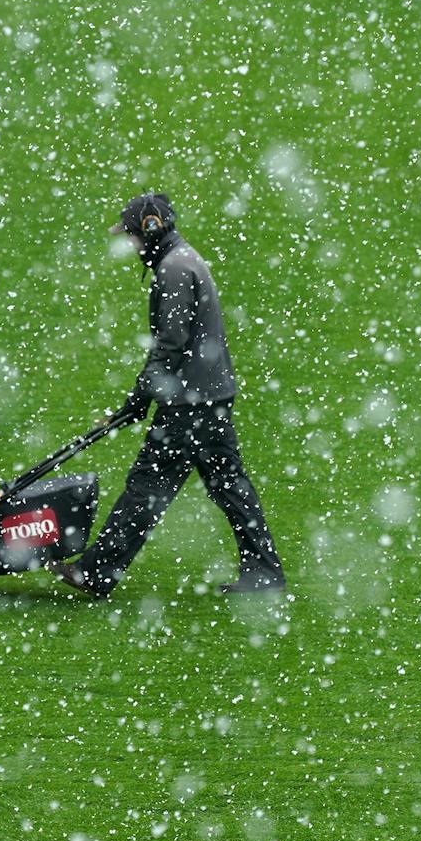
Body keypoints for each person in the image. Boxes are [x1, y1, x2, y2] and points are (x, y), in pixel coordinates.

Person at [51, 193, 286, 598]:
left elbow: (171, 343)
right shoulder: (183, 260)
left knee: (148, 486)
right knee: (228, 486)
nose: (131, 245)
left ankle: (98, 572)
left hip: (189, 404)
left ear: (152, 229)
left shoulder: (174, 270)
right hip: (207, 397)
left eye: (132, 236)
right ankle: (265, 573)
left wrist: (141, 395)